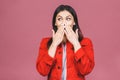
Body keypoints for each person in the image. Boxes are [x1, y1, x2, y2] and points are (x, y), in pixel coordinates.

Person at [36, 4, 95, 80]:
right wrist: (54, 44)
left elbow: (86, 70)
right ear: (55, 23)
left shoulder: (86, 42)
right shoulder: (45, 42)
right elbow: (42, 71)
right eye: (60, 19)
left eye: (68, 19)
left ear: (74, 22)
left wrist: (76, 43)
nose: (64, 23)